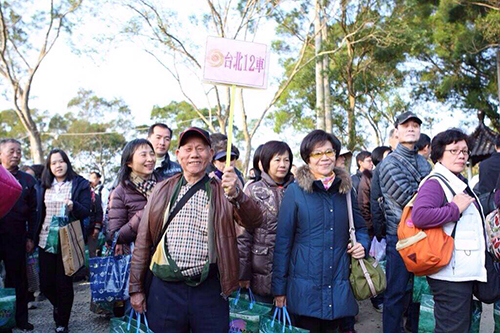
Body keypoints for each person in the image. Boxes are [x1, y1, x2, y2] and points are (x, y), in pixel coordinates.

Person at [128, 127, 262, 332]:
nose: (194, 154)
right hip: (165, 290)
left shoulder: (222, 190)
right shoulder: (162, 189)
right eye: (188, 148)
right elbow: (143, 240)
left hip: (209, 289)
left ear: (209, 154)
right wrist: (135, 288)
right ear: (178, 155)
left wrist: (237, 194)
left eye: (200, 148)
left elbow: (254, 221)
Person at [272, 130, 369, 333]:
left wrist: (362, 245)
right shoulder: (295, 192)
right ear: (307, 159)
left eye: (329, 152)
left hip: (338, 284)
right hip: (304, 288)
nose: (324, 158)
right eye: (317, 154)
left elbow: (360, 227)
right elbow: (283, 243)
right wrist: (279, 290)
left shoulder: (346, 191)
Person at [411, 129, 486, 332]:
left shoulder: (456, 180)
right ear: (439, 155)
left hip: (458, 270)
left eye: (464, 150)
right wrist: (454, 208)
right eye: (453, 150)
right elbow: (419, 216)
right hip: (449, 273)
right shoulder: (435, 183)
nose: (461, 155)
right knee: (451, 328)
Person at [378, 112, 431, 333]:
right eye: (406, 125)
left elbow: (432, 194)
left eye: (415, 126)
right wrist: (427, 194)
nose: (411, 129)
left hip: (425, 236)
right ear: (397, 132)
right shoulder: (389, 163)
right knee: (396, 293)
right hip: (399, 237)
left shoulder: (424, 162)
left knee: (420, 293)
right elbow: (408, 197)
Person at [35, 149, 91, 333]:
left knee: (64, 283)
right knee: (46, 284)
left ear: (67, 162)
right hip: (46, 239)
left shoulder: (79, 183)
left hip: (68, 240)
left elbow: (86, 211)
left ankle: (62, 323)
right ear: (49, 167)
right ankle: (59, 306)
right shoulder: (43, 185)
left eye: (61, 161)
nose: (58, 165)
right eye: (53, 163)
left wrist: (73, 206)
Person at [237, 141, 294, 303]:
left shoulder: (296, 189)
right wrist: (243, 274)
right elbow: (243, 234)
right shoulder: (253, 190)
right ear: (266, 162)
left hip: (291, 268)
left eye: (287, 160)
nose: (283, 164)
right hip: (261, 267)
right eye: (277, 160)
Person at [0, 139, 37, 331]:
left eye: (19, 151)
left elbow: (34, 211)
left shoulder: (28, 180)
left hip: (16, 235)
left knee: (18, 280)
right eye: (11, 151)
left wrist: (30, 236)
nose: (16, 155)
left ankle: (21, 319)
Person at [107, 139, 157, 253]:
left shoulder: (165, 185)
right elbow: (115, 236)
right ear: (129, 163)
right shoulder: (120, 192)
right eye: (143, 155)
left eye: (152, 154)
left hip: (164, 257)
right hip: (136, 257)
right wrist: (145, 213)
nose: (150, 159)